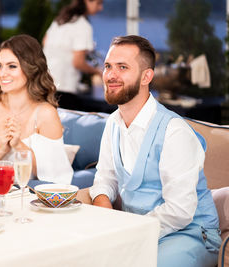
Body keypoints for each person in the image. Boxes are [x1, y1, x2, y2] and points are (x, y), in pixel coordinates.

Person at [89, 35, 221, 267]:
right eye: (108, 66)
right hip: (136, 230)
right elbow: (105, 179)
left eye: (123, 67)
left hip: (189, 234)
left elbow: (179, 211)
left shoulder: (174, 131)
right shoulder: (112, 123)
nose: (111, 75)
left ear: (146, 76)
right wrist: (106, 222)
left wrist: (128, 233)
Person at [0, 34, 73, 185]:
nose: (2, 74)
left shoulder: (46, 114)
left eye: (12, 66)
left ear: (31, 69)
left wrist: (18, 145)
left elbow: (56, 176)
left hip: (24, 199)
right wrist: (0, 150)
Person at [43, 0, 103, 109]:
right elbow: (78, 62)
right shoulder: (83, 26)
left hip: (46, 84)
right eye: (98, 3)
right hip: (64, 89)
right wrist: (98, 71)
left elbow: (44, 41)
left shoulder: (58, 21)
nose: (100, 8)